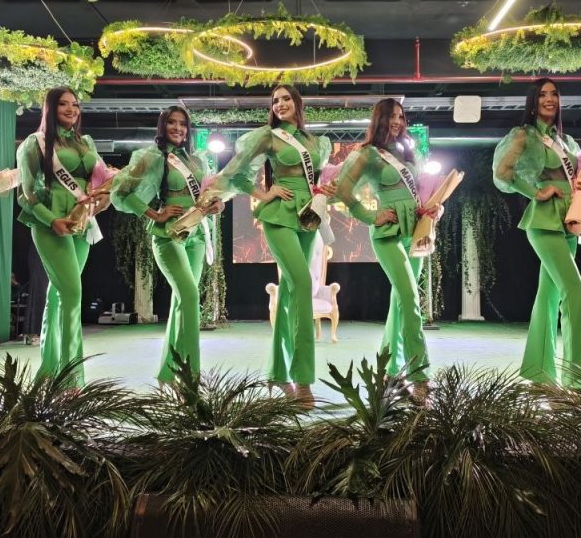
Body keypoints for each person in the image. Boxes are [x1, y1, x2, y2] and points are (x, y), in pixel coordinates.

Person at [199, 85, 334, 407]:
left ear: (297, 103)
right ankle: (304, 380)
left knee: (288, 294)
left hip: (307, 216)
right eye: (275, 101)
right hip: (279, 216)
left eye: (286, 99)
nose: (280, 104)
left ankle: (278, 374)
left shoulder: (315, 142)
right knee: (303, 284)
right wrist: (263, 194)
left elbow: (317, 177)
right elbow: (235, 173)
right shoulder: (268, 137)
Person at [492, 78, 581, 387]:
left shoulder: (566, 142)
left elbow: (578, 179)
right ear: (533, 101)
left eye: (554, 94)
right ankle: (578, 381)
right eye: (543, 95)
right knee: (574, 292)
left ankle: (540, 374)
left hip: (569, 220)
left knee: (549, 296)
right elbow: (502, 173)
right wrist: (535, 192)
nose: (550, 99)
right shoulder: (524, 135)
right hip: (543, 221)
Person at [333, 98, 438, 403]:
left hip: (414, 232)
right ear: (380, 119)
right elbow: (342, 190)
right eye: (392, 116)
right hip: (388, 234)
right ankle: (420, 377)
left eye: (401, 116)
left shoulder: (408, 152)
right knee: (410, 299)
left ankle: (389, 371)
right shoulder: (368, 154)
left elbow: (422, 191)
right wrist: (370, 215)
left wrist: (435, 208)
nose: (397, 121)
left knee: (400, 303)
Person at [110, 106, 224, 382]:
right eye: (172, 123)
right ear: (163, 126)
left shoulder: (196, 160)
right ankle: (191, 379)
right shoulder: (152, 157)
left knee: (181, 303)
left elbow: (206, 195)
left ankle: (170, 374)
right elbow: (121, 192)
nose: (178, 128)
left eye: (182, 123)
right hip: (168, 235)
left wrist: (215, 205)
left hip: (197, 235)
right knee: (190, 297)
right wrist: (154, 213)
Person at [16, 87, 108, 388]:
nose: (71, 109)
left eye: (75, 104)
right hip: (51, 223)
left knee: (58, 295)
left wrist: (102, 199)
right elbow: (25, 195)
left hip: (82, 223)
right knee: (71, 294)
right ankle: (71, 381)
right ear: (51, 109)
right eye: (63, 104)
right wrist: (51, 220)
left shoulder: (85, 143)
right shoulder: (35, 143)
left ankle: (50, 371)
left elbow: (100, 183)